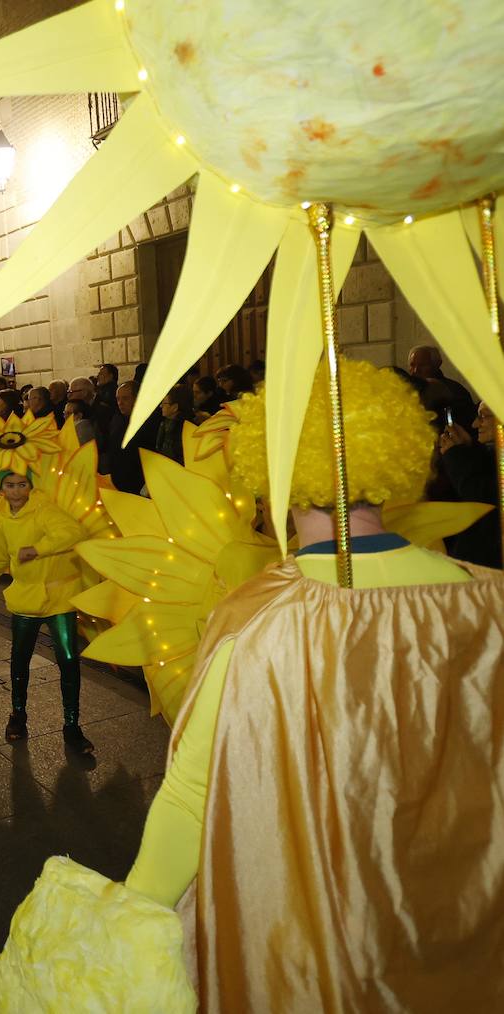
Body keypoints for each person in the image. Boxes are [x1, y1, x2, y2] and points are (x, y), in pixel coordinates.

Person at [119, 358, 504, 1010]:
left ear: (273, 470)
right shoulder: (489, 599)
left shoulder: (258, 617)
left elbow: (192, 795)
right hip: (468, 932)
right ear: (397, 456)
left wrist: (129, 916)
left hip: (322, 944)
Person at [0, 472, 90, 750]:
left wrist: (38, 549)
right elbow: (0, 556)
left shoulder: (45, 510)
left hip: (59, 599)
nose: (16, 491)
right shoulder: (3, 521)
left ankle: (72, 726)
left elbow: (74, 533)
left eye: (21, 485)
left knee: (69, 661)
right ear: (1, 489)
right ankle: (18, 715)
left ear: (30, 486)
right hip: (25, 601)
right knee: (19, 660)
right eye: (10, 485)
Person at [438, 400, 502, 569]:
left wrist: (455, 455)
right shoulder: (491, 454)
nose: (475, 424)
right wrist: (468, 448)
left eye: (484, 416)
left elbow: (481, 493)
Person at [105, 381, 145, 494]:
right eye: (118, 399)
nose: (120, 403)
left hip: (137, 483)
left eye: (125, 398)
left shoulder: (147, 423)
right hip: (119, 483)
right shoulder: (117, 420)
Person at [67, 376, 114, 453]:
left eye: (71, 392)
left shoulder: (102, 410)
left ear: (84, 393)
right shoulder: (85, 406)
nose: (69, 396)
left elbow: (103, 440)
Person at [154, 384, 192, 463]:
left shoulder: (185, 429)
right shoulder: (165, 423)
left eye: (164, 403)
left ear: (175, 407)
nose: (161, 406)